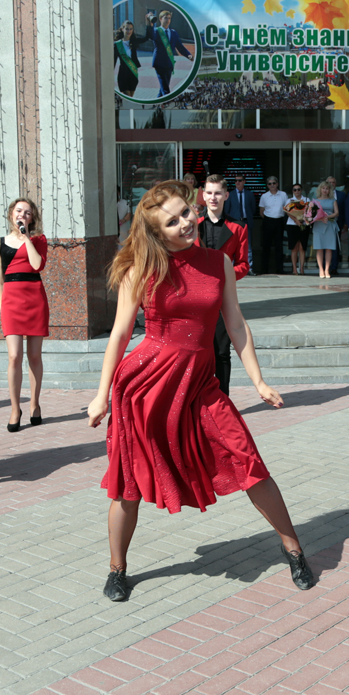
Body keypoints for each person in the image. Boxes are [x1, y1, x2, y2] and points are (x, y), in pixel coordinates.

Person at [87, 180, 314, 602]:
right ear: (157, 233)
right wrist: (101, 395)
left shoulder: (218, 262)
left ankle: (294, 550)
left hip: (201, 385)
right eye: (172, 222)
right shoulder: (142, 268)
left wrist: (259, 381)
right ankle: (117, 569)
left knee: (248, 460)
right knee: (128, 483)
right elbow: (119, 335)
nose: (185, 223)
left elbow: (236, 324)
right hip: (147, 388)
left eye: (186, 213)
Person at [0, 197, 49, 432]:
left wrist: (26, 238)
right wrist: (2, 307)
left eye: (27, 212)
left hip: (34, 298)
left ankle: (34, 404)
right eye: (18, 211)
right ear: (11, 214)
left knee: (34, 356)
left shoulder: (38, 240)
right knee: (14, 356)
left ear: (32, 218)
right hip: (11, 302)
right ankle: (15, 409)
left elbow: (37, 266)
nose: (22, 215)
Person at [198, 175, 250, 394]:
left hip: (222, 298)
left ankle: (223, 400)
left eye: (218, 193)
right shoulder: (192, 225)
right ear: (203, 195)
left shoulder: (238, 227)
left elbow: (243, 265)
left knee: (221, 351)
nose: (213, 197)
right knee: (197, 352)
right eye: (209, 193)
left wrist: (222, 276)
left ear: (226, 195)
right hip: (195, 299)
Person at [145, 10, 193, 97]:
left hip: (169, 63)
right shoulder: (156, 31)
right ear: (160, 19)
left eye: (169, 18)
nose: (168, 20)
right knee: (166, 89)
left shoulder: (173, 32)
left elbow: (180, 46)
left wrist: (189, 55)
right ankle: (168, 102)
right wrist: (150, 24)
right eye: (165, 18)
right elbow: (151, 36)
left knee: (163, 88)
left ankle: (158, 102)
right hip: (159, 64)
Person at [225, 175, 257, 271]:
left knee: (248, 245)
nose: (237, 182)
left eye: (239, 180)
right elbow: (227, 210)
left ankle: (249, 268)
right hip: (234, 222)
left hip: (246, 221)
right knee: (233, 245)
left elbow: (253, 209)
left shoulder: (249, 194)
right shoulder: (230, 194)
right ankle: (233, 268)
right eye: (236, 181)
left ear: (244, 181)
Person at [259, 176, 289, 275]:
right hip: (268, 221)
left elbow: (287, 208)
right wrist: (268, 219)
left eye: (274, 183)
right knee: (266, 246)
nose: (272, 185)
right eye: (270, 183)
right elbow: (261, 211)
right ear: (267, 185)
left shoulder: (283, 194)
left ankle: (280, 269)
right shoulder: (264, 196)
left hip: (279, 221)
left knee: (279, 246)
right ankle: (264, 269)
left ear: (277, 184)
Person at [311, 180, 339, 279]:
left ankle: (327, 269)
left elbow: (337, 213)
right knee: (319, 248)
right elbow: (311, 214)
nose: (325, 190)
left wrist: (328, 216)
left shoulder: (333, 200)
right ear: (320, 189)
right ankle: (321, 269)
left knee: (329, 248)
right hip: (318, 225)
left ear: (329, 190)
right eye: (323, 188)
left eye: (327, 188)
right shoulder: (315, 201)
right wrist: (320, 218)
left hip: (330, 225)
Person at [114, 19, 149, 97]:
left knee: (131, 97)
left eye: (131, 29)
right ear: (122, 29)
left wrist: (148, 23)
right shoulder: (117, 44)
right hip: (123, 74)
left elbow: (146, 38)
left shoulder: (134, 41)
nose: (129, 31)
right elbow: (113, 61)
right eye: (127, 29)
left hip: (133, 73)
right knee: (127, 96)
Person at [285, 184, 310, 275]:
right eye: (295, 190)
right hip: (292, 225)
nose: (297, 191)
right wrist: (296, 220)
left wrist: (302, 219)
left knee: (302, 247)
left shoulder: (306, 199)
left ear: (301, 190)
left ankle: (302, 268)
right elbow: (288, 212)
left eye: (298, 189)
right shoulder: (289, 200)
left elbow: (309, 211)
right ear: (292, 191)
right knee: (294, 247)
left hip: (303, 224)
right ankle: (295, 269)